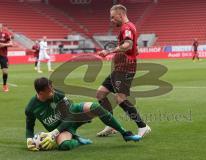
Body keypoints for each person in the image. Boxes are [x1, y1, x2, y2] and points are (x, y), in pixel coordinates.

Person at [25, 77, 141, 151]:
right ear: (41, 93)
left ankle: (125, 133)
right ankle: (77, 141)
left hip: (74, 115)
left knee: (95, 107)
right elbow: (29, 128)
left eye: (52, 88)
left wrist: (54, 133)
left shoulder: (58, 94)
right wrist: (29, 140)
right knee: (65, 146)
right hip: (63, 129)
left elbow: (70, 115)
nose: (53, 92)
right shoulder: (31, 108)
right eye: (50, 91)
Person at [96, 4, 151, 137]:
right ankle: (110, 125)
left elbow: (128, 45)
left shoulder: (127, 27)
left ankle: (143, 126)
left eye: (113, 17)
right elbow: (134, 48)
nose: (111, 20)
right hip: (119, 68)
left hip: (125, 68)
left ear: (120, 15)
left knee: (120, 98)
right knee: (101, 94)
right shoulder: (129, 27)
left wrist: (109, 51)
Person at [0, 24, 13, 92]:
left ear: (1, 27)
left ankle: (4, 85)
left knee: (5, 72)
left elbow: (11, 44)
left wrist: (3, 45)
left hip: (3, 56)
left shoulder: (5, 34)